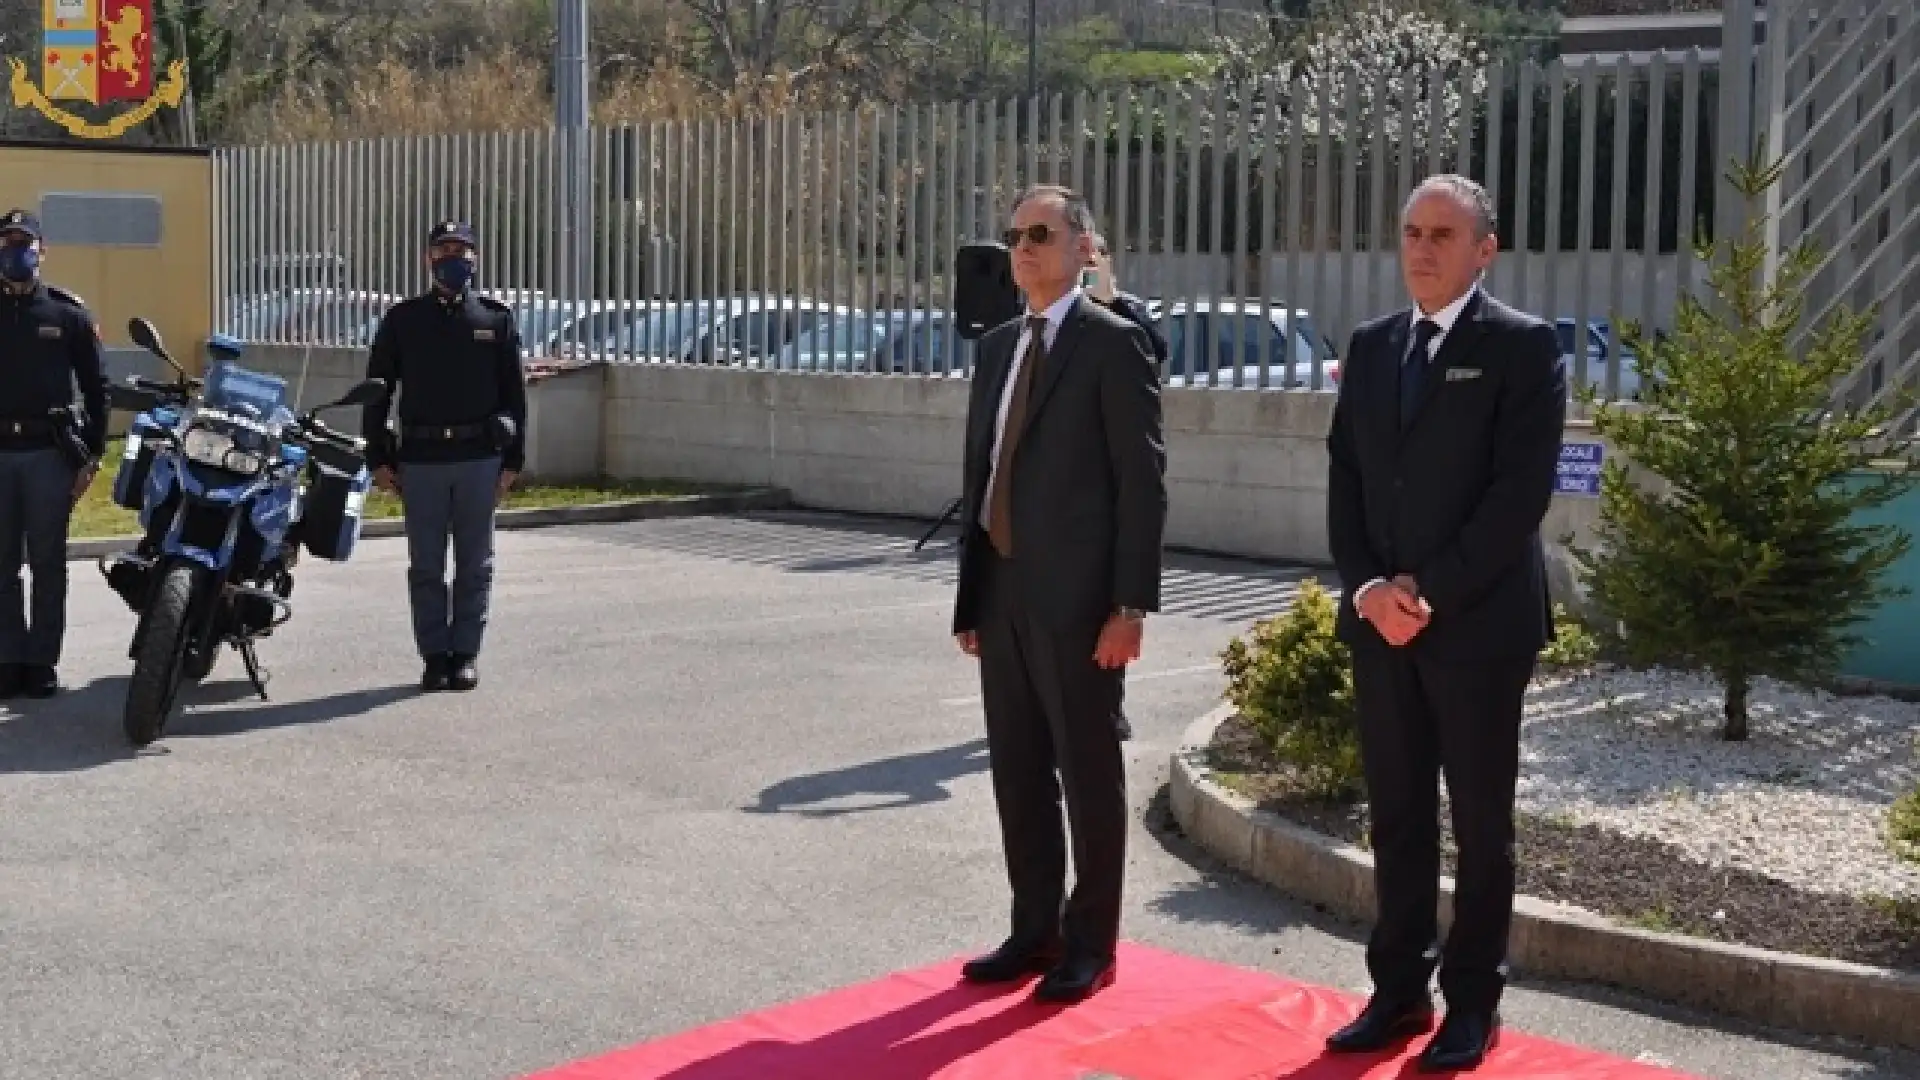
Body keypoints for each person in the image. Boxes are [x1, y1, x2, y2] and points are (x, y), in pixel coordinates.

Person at [1322, 173, 1566, 1071]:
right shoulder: (1374, 344)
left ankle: (1473, 1004)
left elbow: (1517, 498)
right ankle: (1396, 993)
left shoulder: (1523, 348)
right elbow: (1347, 480)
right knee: (1394, 816)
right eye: (1412, 231)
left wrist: (1425, 592)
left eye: (1442, 234)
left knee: (1479, 823)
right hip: (1381, 623)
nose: (1421, 248)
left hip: (1476, 628)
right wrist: (1368, 590)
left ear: (1484, 250)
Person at [951, 184, 1167, 1003]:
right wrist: (972, 600)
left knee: (1086, 771)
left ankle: (1091, 941)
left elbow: (1141, 485)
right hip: (1002, 590)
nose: (1024, 248)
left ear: (1084, 246)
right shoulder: (999, 346)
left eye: (1041, 233)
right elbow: (982, 474)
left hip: (1082, 605)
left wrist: (1129, 606)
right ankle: (1032, 927)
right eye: (1013, 236)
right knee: (1016, 771)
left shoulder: (1115, 345)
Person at [362, 220, 528, 693]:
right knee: (427, 566)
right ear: (427, 259)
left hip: (479, 458)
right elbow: (378, 391)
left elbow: (514, 397)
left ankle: (466, 654)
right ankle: (435, 656)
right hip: (422, 458)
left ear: (476, 259)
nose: (454, 258)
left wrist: (513, 461)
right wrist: (378, 455)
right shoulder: (403, 320)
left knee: (476, 564)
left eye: (462, 250)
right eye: (444, 249)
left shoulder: (494, 320)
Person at [0, 209, 105, 700]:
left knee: (47, 563)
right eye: (8, 243)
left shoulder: (67, 315)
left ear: (43, 250)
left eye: (26, 243)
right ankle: (7, 658)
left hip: (48, 455)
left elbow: (96, 389)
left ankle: (40, 661)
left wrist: (92, 457)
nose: (16, 251)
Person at [1081, 234, 1168, 744]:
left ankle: (1110, 704)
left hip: (1119, 471)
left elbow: (1158, 351)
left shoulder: (1127, 312)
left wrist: (1111, 302)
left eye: (1098, 257)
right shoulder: (1051, 310)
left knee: (1113, 599)